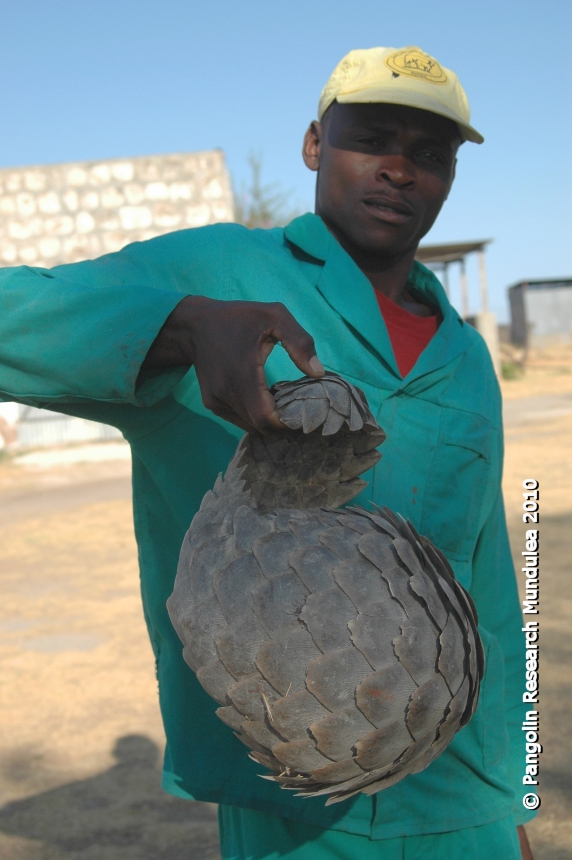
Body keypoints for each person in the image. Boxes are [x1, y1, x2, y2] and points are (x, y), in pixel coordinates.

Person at [0, 46, 535, 858]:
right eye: (373, 139)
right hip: (295, 800)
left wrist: (518, 792)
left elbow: (492, 585)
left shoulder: (463, 357)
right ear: (316, 144)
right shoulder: (215, 270)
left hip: (460, 798)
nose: (400, 170)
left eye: (431, 154)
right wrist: (179, 325)